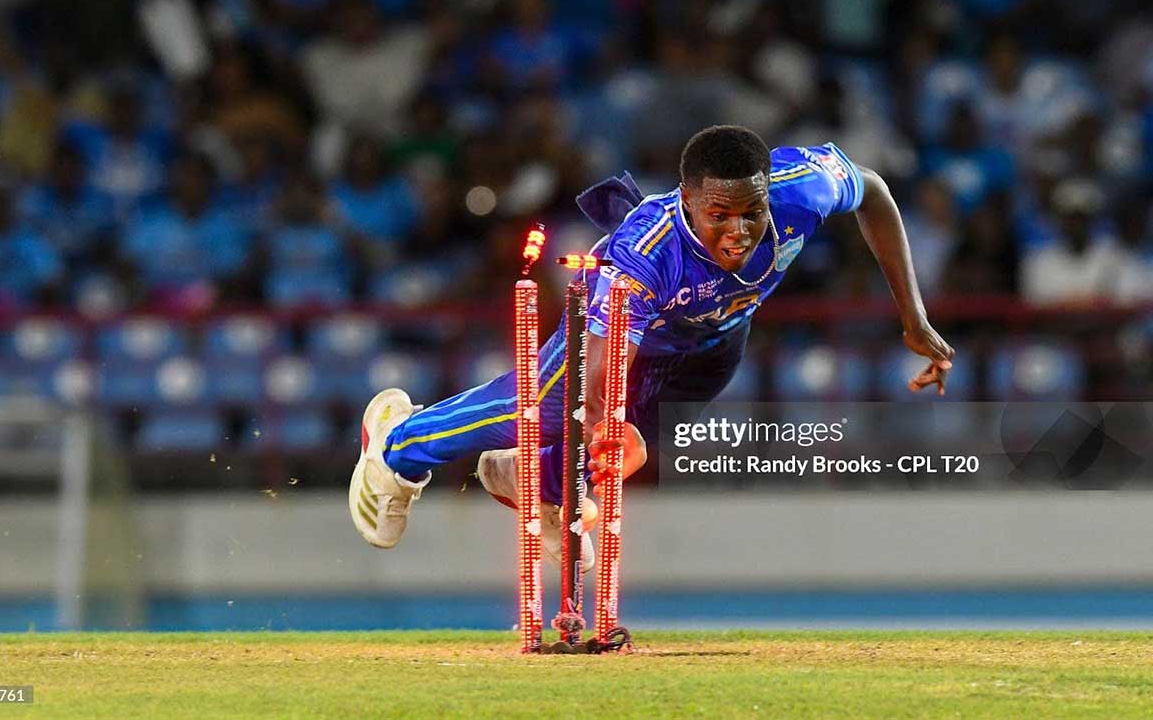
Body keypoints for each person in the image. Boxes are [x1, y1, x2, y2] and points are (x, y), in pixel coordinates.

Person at [349, 125, 955, 559]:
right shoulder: (646, 252)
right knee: (552, 407)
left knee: (631, 450)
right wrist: (597, 418)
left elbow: (873, 190)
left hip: (713, 345)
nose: (739, 231)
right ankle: (397, 445)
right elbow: (607, 364)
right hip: (616, 333)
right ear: (687, 201)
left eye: (752, 211)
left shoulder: (807, 187)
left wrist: (913, 316)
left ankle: (539, 482)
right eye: (720, 214)